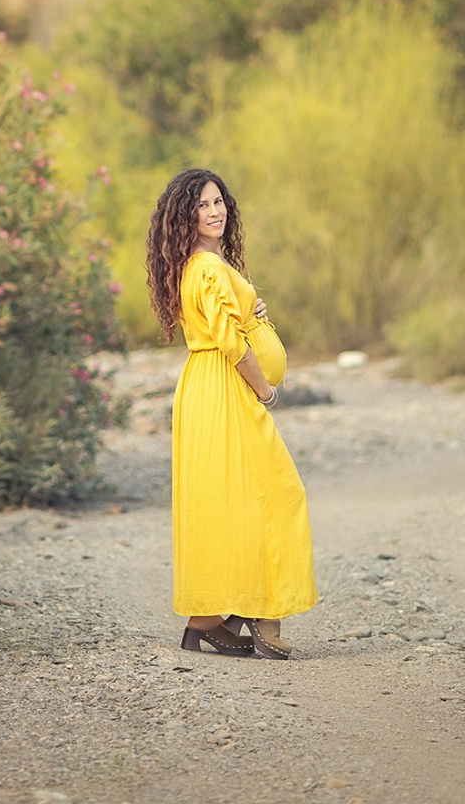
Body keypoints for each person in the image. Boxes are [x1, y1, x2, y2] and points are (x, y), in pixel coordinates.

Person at [145, 167, 316, 660]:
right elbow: (229, 341)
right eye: (201, 205)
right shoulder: (205, 267)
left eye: (218, 201)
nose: (214, 211)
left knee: (229, 500)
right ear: (184, 216)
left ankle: (207, 623)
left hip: (213, 386)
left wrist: (253, 312)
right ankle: (260, 615)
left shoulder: (207, 265)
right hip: (224, 386)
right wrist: (264, 390)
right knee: (278, 493)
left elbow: (229, 321)